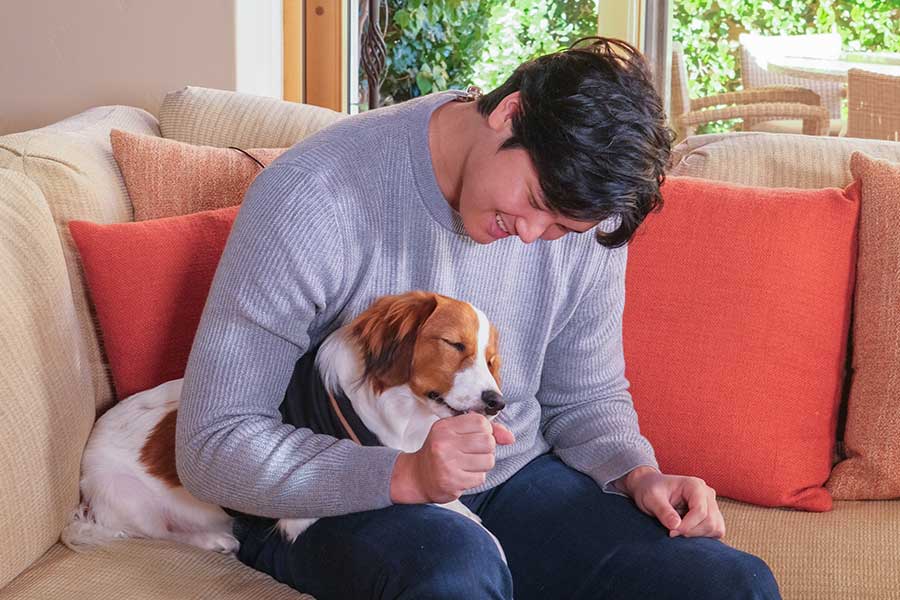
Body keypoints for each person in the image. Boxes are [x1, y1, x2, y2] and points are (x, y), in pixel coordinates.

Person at [176, 37, 782, 599]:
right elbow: (213, 442)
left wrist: (637, 474)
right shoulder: (313, 194)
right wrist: (405, 475)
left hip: (512, 482)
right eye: (536, 204)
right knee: (456, 574)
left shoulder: (585, 221)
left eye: (561, 230)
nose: (530, 236)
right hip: (335, 490)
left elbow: (586, 396)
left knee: (732, 585)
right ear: (509, 112)